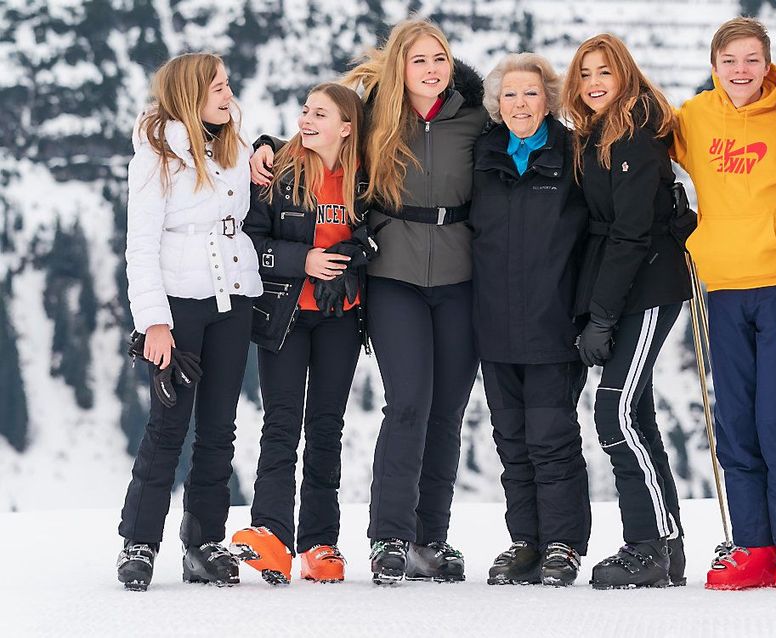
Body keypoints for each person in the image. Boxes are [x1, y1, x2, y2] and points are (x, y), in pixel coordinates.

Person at [250, 18, 487, 584]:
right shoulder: (377, 117)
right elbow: (322, 129)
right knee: (409, 401)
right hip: (392, 275)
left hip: (459, 275)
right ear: (397, 68)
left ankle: (431, 539)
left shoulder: (477, 121)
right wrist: (263, 146)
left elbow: (531, 129)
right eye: (419, 60)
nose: (432, 70)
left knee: (448, 410)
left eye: (440, 58)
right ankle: (389, 538)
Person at [672, 17, 776, 592]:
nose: (741, 70)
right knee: (734, 423)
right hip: (721, 289)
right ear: (715, 66)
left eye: (751, 60)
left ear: (768, 64)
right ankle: (753, 545)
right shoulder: (692, 118)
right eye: (730, 60)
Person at [117, 52, 262, 591]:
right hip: (179, 306)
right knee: (168, 425)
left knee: (219, 427)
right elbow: (139, 245)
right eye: (217, 88)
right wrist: (154, 322)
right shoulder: (156, 154)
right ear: (189, 93)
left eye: (228, 85)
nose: (228, 94)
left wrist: (264, 146)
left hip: (233, 299)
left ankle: (202, 544)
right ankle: (139, 542)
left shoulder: (233, 144)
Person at [562, 33, 692, 590]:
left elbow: (633, 233)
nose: (594, 83)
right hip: (626, 288)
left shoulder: (634, 137)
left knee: (613, 413)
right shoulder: (596, 136)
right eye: (586, 73)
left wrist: (603, 317)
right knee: (633, 413)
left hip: (648, 288)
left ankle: (648, 545)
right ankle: (666, 544)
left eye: (605, 73)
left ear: (625, 77)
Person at [230, 83, 370, 586]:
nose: (307, 120)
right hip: (285, 315)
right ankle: (271, 535)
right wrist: (304, 261)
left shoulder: (367, 174)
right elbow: (252, 240)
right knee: (283, 422)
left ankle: (319, 544)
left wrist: (355, 259)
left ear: (347, 127)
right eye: (305, 111)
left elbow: (378, 231)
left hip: (341, 316)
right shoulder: (278, 172)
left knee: (327, 426)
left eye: (320, 114)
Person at [471, 53, 591, 587]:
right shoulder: (482, 154)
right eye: (510, 95)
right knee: (511, 439)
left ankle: (563, 545)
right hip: (493, 324)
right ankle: (526, 542)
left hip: (553, 323)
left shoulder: (573, 153)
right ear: (497, 104)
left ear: (550, 98)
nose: (521, 104)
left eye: (531, 93)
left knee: (552, 438)